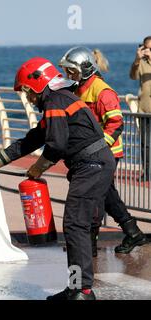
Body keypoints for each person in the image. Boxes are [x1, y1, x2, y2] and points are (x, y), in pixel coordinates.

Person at [0, 57, 116, 300]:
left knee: (75, 225)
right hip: (93, 165)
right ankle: (76, 288)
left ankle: (82, 291)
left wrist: (39, 167)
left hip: (91, 165)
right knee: (75, 225)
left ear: (34, 86)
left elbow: (56, 145)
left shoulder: (55, 101)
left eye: (26, 92)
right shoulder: (61, 99)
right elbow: (32, 140)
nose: (27, 98)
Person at [59, 47, 147, 256]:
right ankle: (132, 232)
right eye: (67, 71)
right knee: (106, 195)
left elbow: (116, 124)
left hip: (105, 153)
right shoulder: (77, 89)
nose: (68, 76)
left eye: (72, 71)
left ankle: (89, 246)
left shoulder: (102, 91)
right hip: (93, 155)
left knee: (96, 197)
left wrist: (97, 149)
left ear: (85, 69)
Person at [130, 36, 151, 179]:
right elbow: (133, 76)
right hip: (144, 109)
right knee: (145, 144)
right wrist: (137, 60)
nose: (147, 51)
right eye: (146, 48)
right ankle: (148, 172)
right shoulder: (141, 62)